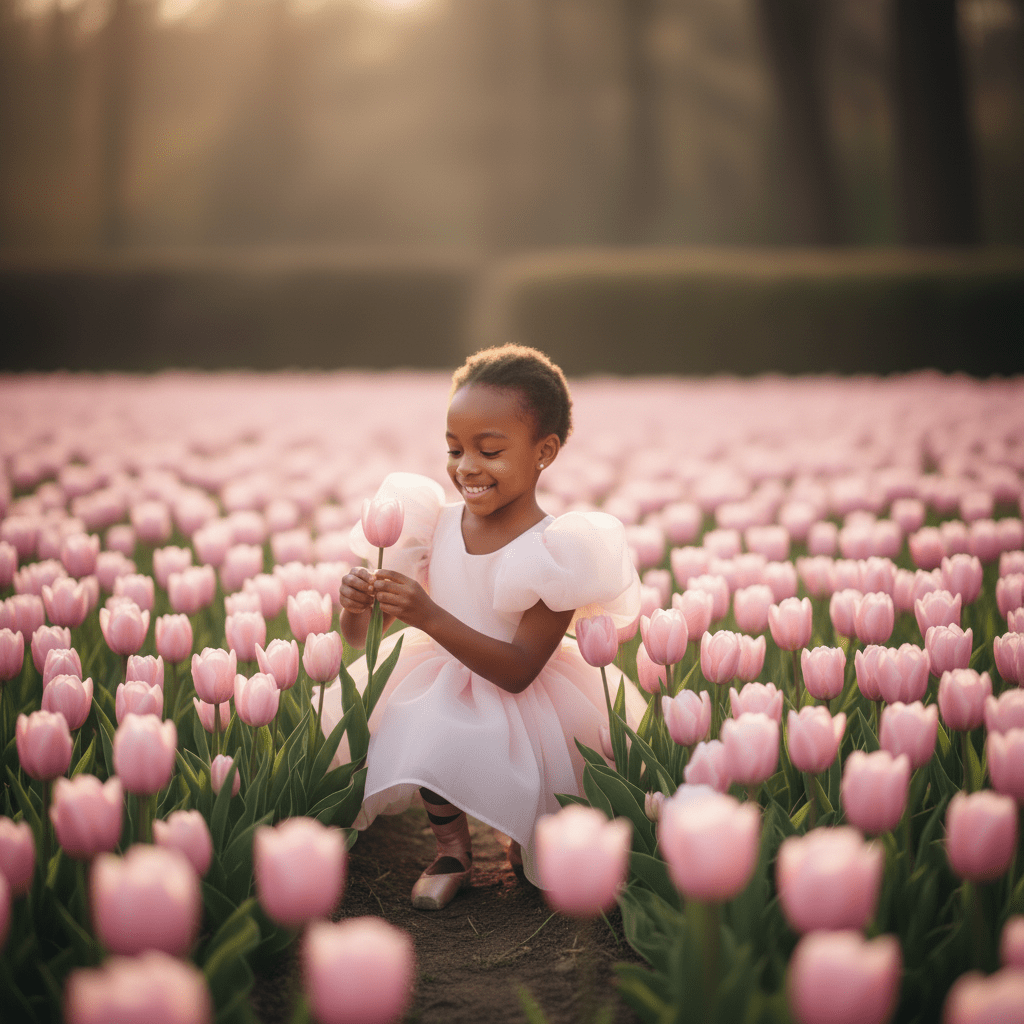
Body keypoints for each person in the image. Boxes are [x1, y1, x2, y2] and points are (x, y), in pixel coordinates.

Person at [320, 344, 645, 910]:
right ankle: (451, 850)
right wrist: (355, 606)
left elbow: (519, 672)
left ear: (544, 452)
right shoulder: (428, 526)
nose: (467, 466)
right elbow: (358, 641)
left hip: (526, 690)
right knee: (421, 715)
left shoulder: (556, 553)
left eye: (489, 450)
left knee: (538, 806)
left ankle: (521, 839)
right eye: (454, 448)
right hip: (441, 672)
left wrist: (428, 614)